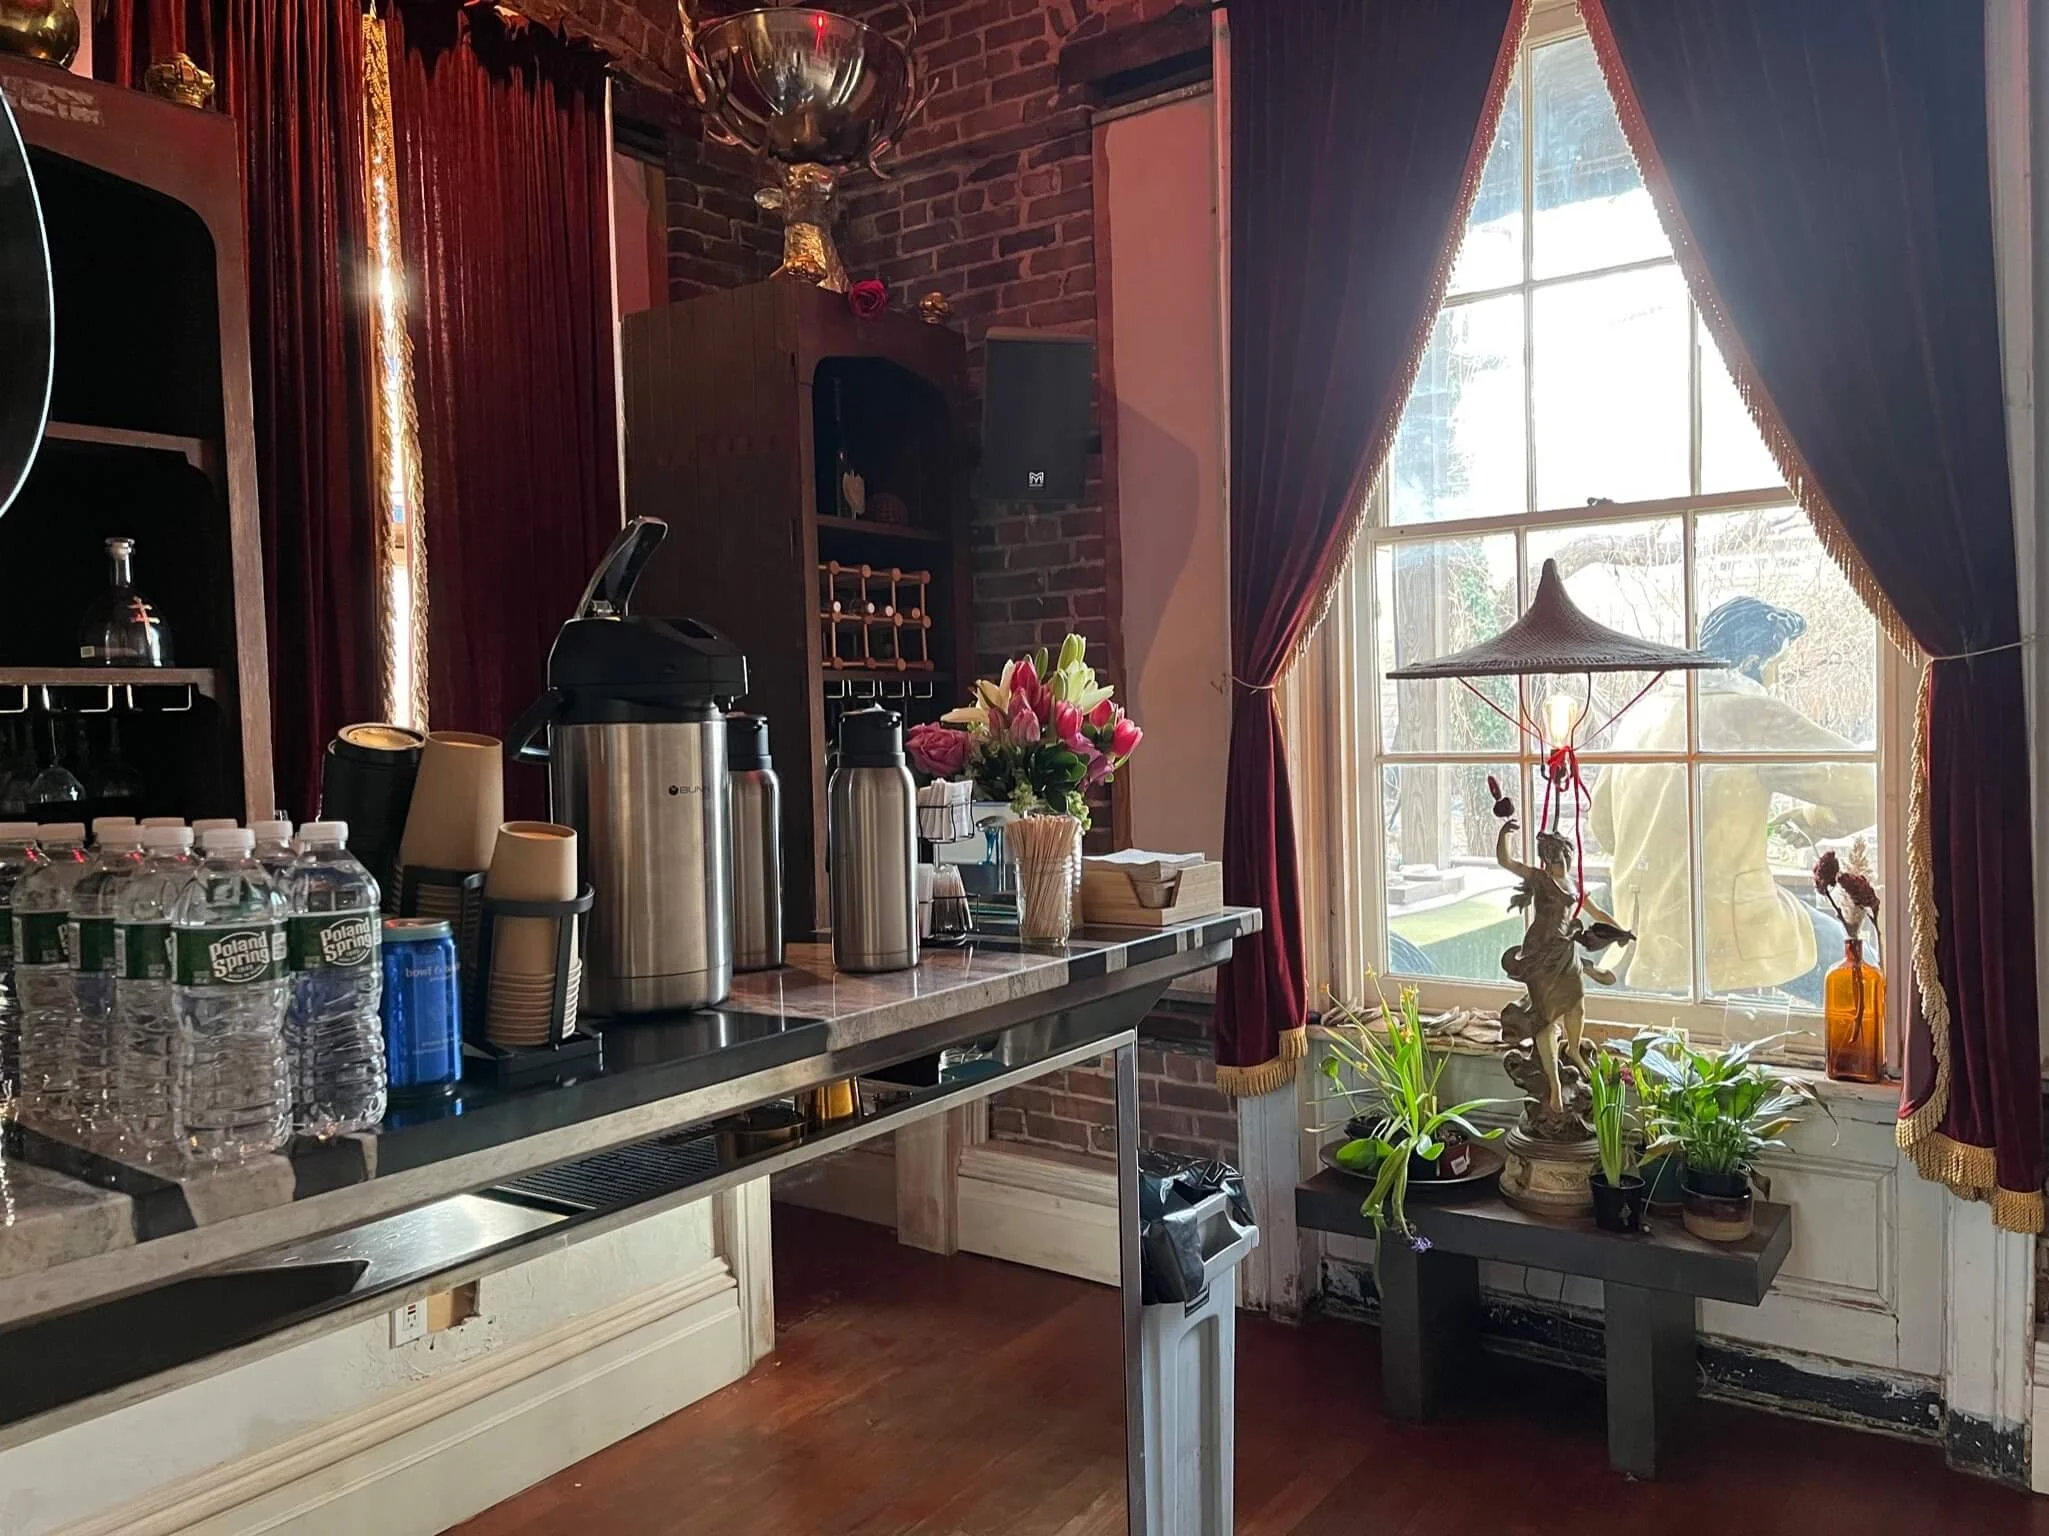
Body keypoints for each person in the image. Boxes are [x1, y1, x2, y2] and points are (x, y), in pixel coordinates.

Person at [1589, 596, 1876, 1005]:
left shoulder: (1642, 714)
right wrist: (1811, 820)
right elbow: (1865, 788)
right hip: (1729, 935)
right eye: (1775, 667)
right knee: (1864, 968)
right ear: (1752, 660)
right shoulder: (1751, 712)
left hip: (1642, 938)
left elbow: (1602, 826)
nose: (1774, 680)